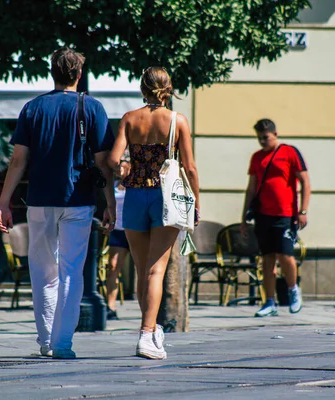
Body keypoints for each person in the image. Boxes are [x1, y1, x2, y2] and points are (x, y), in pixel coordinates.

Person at [0, 47, 116, 359]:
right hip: (77, 200)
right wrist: (110, 203)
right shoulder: (92, 108)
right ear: (79, 74)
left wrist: (4, 201)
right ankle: (62, 342)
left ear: (53, 73)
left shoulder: (33, 108)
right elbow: (104, 162)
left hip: (38, 200)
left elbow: (18, 160)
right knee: (71, 271)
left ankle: (45, 340)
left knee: (41, 270)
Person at [109, 67, 200, 360]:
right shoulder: (177, 120)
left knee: (141, 268)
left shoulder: (129, 119)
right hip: (165, 197)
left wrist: (125, 170)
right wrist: (195, 202)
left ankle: (152, 328)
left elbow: (113, 159)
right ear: (169, 88)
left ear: (142, 88)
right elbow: (190, 167)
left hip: (134, 195)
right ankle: (147, 334)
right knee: (156, 269)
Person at [240, 118, 310, 318]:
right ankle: (269, 302)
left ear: (275, 134)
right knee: (267, 259)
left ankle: (293, 290)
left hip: (285, 214)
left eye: (266, 137)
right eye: (259, 138)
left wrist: (303, 211)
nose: (263, 141)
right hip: (263, 215)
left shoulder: (290, 152)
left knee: (285, 255)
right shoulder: (256, 158)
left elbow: (305, 181)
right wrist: (244, 218)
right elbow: (251, 188)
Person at [106, 160, 131, 320]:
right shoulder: (114, 185)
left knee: (145, 270)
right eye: (118, 166)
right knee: (113, 266)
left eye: (123, 166)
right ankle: (111, 306)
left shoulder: (136, 184)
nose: (120, 169)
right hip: (118, 230)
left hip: (134, 229)